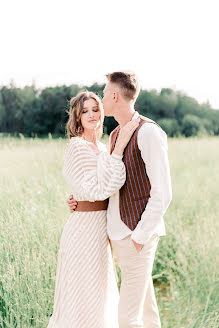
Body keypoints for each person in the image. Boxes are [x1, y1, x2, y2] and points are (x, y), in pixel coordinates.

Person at [67, 71, 172, 328]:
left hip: (137, 235)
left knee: (126, 319)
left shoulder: (148, 132)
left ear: (114, 96)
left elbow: (163, 192)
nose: (102, 99)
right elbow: (109, 185)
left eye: (103, 93)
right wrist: (78, 200)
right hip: (119, 236)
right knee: (146, 310)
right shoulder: (115, 136)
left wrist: (139, 236)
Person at [47, 90, 140, 328]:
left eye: (95, 109)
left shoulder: (101, 147)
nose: (91, 115)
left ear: (102, 111)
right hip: (83, 229)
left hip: (101, 229)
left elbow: (110, 187)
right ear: (77, 118)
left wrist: (113, 155)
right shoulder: (77, 146)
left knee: (99, 291)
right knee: (80, 292)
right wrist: (117, 151)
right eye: (84, 111)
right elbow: (97, 190)